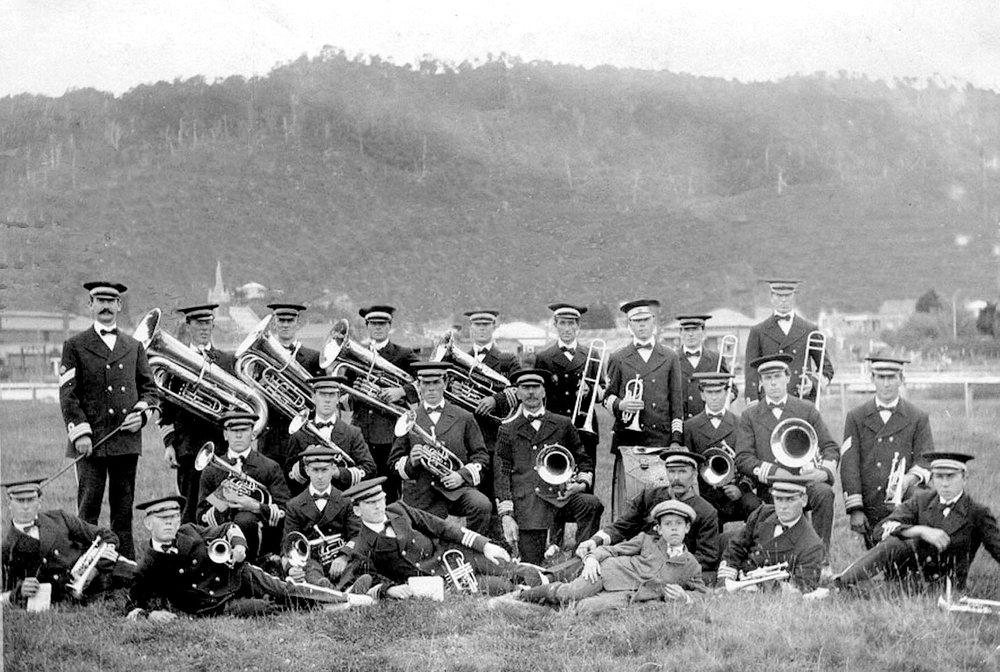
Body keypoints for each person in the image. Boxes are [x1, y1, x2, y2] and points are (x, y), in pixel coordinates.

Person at [127, 495, 362, 619]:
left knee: (283, 588)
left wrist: (239, 546)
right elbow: (132, 605)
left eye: (174, 517)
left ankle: (348, 598)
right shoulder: (147, 565)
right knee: (265, 608)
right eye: (163, 519)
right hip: (215, 603)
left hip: (236, 573)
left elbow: (228, 527)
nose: (171, 523)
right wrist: (150, 615)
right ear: (148, 523)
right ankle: (330, 608)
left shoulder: (189, 530)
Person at [59, 280, 159, 559]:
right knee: (88, 510)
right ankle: (84, 567)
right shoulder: (74, 345)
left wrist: (142, 415)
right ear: (90, 305)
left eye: (110, 301)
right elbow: (68, 394)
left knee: (123, 511)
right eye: (99, 300)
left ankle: (125, 566)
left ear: (119, 305)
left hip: (125, 443)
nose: (105, 306)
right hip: (90, 443)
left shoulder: (134, 346)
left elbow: (150, 391)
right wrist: (80, 434)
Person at [341, 478, 544, 598]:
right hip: (440, 582)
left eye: (381, 500)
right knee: (502, 587)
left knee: (511, 568)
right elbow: (362, 581)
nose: (379, 507)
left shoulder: (398, 509)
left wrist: (483, 545)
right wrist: (389, 589)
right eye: (371, 503)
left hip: (454, 556)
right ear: (357, 510)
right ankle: (545, 592)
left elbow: (442, 527)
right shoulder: (361, 546)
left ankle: (553, 579)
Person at [834, 452, 1000, 592]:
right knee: (893, 543)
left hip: (944, 587)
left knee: (866, 592)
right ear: (932, 479)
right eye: (939, 477)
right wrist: (919, 530)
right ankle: (841, 583)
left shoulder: (977, 512)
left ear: (964, 479)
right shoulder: (921, 501)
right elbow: (880, 530)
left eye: (951, 477)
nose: (945, 483)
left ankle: (844, 587)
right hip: (908, 579)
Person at [514, 500, 706, 614]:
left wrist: (686, 597)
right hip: (605, 573)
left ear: (687, 528)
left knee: (585, 608)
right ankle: (523, 595)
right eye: (668, 524)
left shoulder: (691, 564)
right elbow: (613, 550)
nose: (674, 528)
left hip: (628, 595)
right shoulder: (645, 540)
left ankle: (549, 607)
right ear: (659, 529)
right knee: (570, 593)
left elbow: (703, 594)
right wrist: (592, 559)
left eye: (679, 524)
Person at [494, 369, 604, 565]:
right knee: (532, 565)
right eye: (525, 387)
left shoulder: (563, 424)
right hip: (529, 502)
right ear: (517, 393)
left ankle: (581, 559)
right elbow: (502, 473)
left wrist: (580, 485)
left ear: (544, 391)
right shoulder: (507, 429)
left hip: (560, 497)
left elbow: (584, 460)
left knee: (590, 503)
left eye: (536, 387)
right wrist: (507, 514)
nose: (531, 392)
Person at [734, 354, 839, 553]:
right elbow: (743, 457)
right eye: (767, 378)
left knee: (824, 493)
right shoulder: (750, 415)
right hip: (770, 486)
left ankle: (821, 555)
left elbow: (830, 447)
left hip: (803, 482)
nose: (773, 383)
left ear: (788, 378)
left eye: (777, 376)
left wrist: (823, 472)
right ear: (761, 382)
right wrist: (773, 472)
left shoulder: (806, 409)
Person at [576, 450, 721, 582]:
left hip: (673, 568)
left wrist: (669, 566)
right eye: (671, 471)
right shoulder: (650, 496)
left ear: (694, 475)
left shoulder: (706, 512)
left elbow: (707, 557)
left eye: (683, 472)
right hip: (638, 559)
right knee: (585, 561)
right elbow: (622, 526)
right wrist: (595, 541)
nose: (676, 478)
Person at [841, 356, 934, 549]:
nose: (886, 384)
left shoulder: (918, 417)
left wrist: (909, 479)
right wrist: (855, 509)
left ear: (901, 379)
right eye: (881, 377)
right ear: (872, 378)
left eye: (892, 377)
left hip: (906, 501)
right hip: (871, 504)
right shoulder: (856, 417)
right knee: (879, 558)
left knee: (909, 554)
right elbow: (849, 465)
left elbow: (925, 459)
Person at [389, 362, 492, 535]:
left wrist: (461, 476)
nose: (431, 388)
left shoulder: (464, 416)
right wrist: (411, 462)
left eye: (436, 382)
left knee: (481, 505)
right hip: (422, 491)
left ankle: (472, 547)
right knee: (424, 540)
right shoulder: (408, 419)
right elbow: (393, 463)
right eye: (425, 383)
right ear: (419, 386)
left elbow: (481, 456)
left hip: (456, 490)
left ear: (445, 383)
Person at [603, 299, 683, 515]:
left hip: (660, 437)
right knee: (630, 500)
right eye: (636, 321)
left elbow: (676, 403)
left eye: (645, 320)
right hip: (629, 438)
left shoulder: (670, 356)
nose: (641, 325)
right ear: (629, 325)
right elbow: (607, 397)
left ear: (653, 321)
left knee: (662, 497)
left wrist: (676, 439)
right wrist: (621, 404)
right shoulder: (618, 357)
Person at [1, 478, 135, 607]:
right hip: (67, 597)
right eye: (20, 501)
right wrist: (19, 592)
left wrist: (93, 569)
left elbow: (106, 536)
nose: (25, 507)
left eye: (31, 500)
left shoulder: (60, 518)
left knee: (141, 579)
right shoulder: (7, 547)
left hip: (101, 574)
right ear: (9, 504)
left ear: (39, 501)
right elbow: (4, 593)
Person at [157, 303, 234, 523]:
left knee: (220, 504)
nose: (204, 328)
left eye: (208, 323)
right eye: (198, 323)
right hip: (188, 447)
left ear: (213, 325)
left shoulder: (227, 361)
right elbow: (165, 409)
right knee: (189, 507)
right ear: (188, 325)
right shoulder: (175, 361)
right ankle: (189, 541)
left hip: (220, 446)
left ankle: (219, 540)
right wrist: (169, 444)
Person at [348, 305, 419, 503]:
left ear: (389, 326)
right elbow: (345, 394)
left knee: (389, 489)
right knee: (363, 488)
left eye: (382, 323)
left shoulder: (403, 354)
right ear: (367, 326)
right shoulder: (356, 354)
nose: (377, 327)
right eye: (373, 324)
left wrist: (401, 391)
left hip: (389, 433)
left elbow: (424, 380)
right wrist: (357, 393)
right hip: (362, 431)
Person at [197, 411, 291, 559]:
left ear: (253, 434)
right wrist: (223, 497)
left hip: (260, 539)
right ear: (225, 435)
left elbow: (284, 510)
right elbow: (201, 516)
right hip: (222, 539)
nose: (239, 435)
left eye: (244, 430)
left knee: (245, 519)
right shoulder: (211, 470)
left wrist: (256, 506)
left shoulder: (270, 467)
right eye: (233, 431)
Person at [718, 478, 825, 593]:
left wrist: (761, 587)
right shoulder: (763, 513)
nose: (783, 506)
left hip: (757, 590)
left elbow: (802, 587)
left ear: (803, 500)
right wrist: (726, 579)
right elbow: (736, 546)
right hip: (734, 571)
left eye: (790, 500)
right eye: (778, 499)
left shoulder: (812, 545)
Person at [683, 372, 761, 524]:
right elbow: (689, 465)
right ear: (702, 395)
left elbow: (750, 460)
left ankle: (753, 539)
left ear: (727, 393)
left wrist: (741, 488)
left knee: (754, 506)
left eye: (718, 392)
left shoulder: (741, 423)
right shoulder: (690, 426)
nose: (714, 397)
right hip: (705, 492)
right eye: (709, 392)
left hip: (734, 489)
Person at [532, 303, 601, 470]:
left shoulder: (591, 354)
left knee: (585, 474)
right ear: (555, 325)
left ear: (578, 326)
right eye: (562, 323)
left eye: (571, 323)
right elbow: (537, 394)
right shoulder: (544, 357)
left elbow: (603, 391)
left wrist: (590, 389)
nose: (567, 328)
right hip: (555, 426)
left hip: (584, 427)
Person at [282, 445, 363, 589]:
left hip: (340, 558)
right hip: (312, 561)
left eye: (324, 470)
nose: (320, 476)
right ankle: (334, 590)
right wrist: (290, 568)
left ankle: (334, 590)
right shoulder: (294, 505)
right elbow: (287, 544)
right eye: (315, 470)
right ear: (307, 470)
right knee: (310, 571)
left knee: (358, 562)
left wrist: (344, 556)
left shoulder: (346, 500)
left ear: (333, 469)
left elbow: (357, 535)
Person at [744, 279, 834, 405]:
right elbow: (751, 371)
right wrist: (753, 400)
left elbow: (827, 369)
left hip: (801, 400)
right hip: (769, 401)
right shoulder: (758, 331)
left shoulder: (810, 329)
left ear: (794, 297)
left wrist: (813, 384)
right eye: (779, 296)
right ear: (771, 298)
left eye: (788, 296)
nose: (783, 300)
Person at [258, 302, 324, 471]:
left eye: (290, 321)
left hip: (302, 435)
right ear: (274, 323)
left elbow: (320, 397)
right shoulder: (262, 355)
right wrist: (262, 386)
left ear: (297, 323)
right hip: (271, 434)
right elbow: (255, 390)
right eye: (281, 320)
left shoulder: (313, 357)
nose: (285, 325)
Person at [285, 375, 375, 494]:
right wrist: (304, 462)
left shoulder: (353, 433)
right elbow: (289, 478)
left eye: (332, 395)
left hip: (343, 498)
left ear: (338, 398)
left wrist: (338, 473)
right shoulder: (299, 435)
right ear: (313, 397)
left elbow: (369, 469)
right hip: (309, 500)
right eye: (322, 394)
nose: (327, 400)